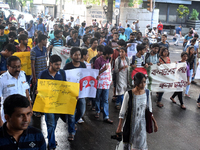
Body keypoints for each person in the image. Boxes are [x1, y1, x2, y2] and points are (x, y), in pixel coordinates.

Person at [116, 72, 158, 150]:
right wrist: (119, 127)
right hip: (130, 124)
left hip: (141, 125)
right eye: (141, 82)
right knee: (128, 144)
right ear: (135, 82)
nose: (143, 85)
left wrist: (154, 122)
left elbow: (149, 110)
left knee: (140, 146)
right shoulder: (128, 94)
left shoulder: (147, 93)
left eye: (144, 82)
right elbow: (122, 112)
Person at [38, 55, 66, 149]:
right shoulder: (43, 74)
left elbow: (65, 86)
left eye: (59, 64)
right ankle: (52, 144)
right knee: (50, 124)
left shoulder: (62, 73)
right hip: (48, 104)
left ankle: (51, 138)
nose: (58, 66)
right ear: (50, 64)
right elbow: (39, 88)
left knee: (54, 122)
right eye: (56, 65)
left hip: (58, 104)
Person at [63, 47, 86, 141]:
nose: (78, 56)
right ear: (71, 55)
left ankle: (73, 122)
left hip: (81, 93)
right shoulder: (67, 66)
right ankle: (71, 132)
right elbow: (64, 80)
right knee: (71, 114)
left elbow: (86, 77)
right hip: (71, 94)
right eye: (75, 54)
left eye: (79, 54)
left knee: (81, 111)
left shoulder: (83, 65)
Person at [0, 56, 30, 123]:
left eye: (19, 66)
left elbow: (26, 91)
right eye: (14, 67)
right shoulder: (2, 80)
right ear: (8, 67)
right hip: (9, 116)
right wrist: (0, 121)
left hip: (23, 113)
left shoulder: (22, 75)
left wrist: (30, 107)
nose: (17, 69)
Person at [94, 45, 113, 124]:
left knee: (105, 99)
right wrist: (103, 70)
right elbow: (95, 73)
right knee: (98, 97)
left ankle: (106, 116)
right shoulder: (98, 60)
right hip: (99, 82)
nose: (111, 55)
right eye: (110, 54)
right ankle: (97, 111)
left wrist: (110, 79)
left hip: (106, 82)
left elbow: (109, 70)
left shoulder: (109, 59)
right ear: (106, 53)